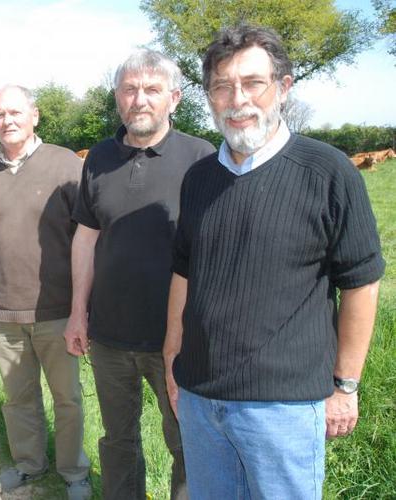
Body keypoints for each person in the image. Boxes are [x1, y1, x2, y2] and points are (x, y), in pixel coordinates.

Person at [164, 25, 385, 500]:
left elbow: (362, 283)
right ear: (209, 98)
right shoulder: (198, 178)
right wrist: (171, 359)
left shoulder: (329, 172)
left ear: (283, 88)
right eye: (222, 86)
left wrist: (345, 385)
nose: (237, 98)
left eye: (252, 83)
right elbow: (184, 272)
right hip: (202, 401)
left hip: (284, 408)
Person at [64, 49, 215, 500]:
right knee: (117, 440)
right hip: (109, 337)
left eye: (151, 90)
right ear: (117, 98)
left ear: (174, 98)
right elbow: (85, 240)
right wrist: (77, 313)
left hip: (177, 341)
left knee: (188, 445)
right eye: (129, 89)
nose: (139, 99)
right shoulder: (99, 159)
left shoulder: (202, 158)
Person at [0, 85, 91, 499]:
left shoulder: (67, 165)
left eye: (15, 112)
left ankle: (74, 472)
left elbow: (88, 239)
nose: (7, 120)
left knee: (67, 398)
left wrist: (82, 308)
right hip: (4, 313)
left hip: (58, 312)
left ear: (35, 115)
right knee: (19, 399)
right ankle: (30, 464)